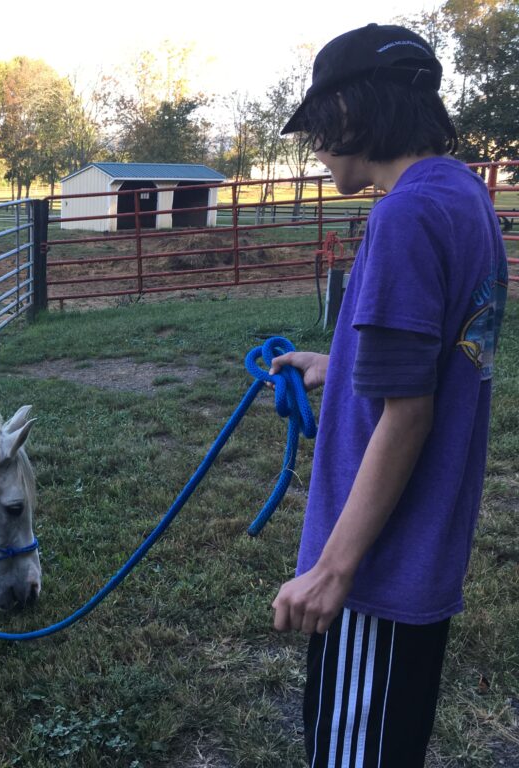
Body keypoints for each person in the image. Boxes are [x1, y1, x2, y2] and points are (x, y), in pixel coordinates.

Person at [269, 23, 509, 767]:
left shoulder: (403, 216)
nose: (312, 139)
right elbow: (436, 355)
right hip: (421, 558)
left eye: (316, 120)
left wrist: (333, 570)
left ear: (353, 109)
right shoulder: (462, 196)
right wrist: (338, 364)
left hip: (376, 574)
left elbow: (408, 417)